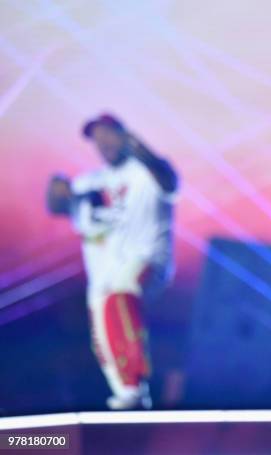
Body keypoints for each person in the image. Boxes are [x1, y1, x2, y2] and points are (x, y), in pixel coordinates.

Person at [46, 114, 178, 410]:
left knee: (119, 296)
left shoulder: (145, 172)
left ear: (123, 134)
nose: (103, 142)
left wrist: (137, 147)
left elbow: (168, 180)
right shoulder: (89, 181)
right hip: (102, 277)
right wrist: (55, 187)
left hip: (147, 259)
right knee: (103, 339)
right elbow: (56, 205)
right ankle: (129, 396)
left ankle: (135, 380)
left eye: (108, 134)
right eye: (97, 138)